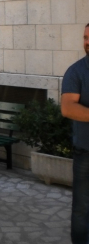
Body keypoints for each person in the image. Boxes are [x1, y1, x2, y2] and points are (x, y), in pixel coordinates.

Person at [61, 23, 89, 244]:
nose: (87, 42)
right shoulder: (76, 71)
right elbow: (68, 108)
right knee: (82, 209)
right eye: (85, 37)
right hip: (86, 153)